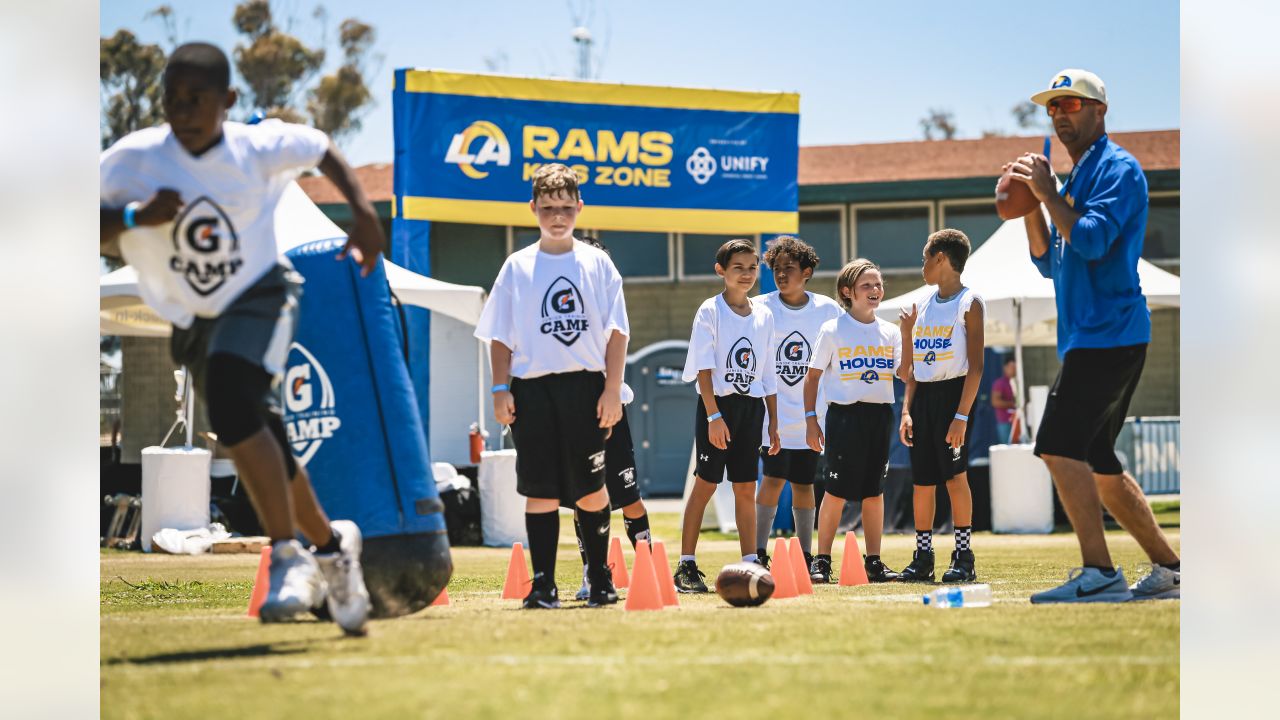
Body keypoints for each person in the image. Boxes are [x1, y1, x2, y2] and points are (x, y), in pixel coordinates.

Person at [99, 43, 374, 634]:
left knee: (229, 392)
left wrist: (364, 214)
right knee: (254, 429)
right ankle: (332, 550)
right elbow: (90, 227)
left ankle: (287, 556)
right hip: (194, 318)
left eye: (196, 99)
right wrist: (133, 220)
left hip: (261, 292)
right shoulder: (133, 161)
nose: (182, 110)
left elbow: (323, 147)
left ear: (226, 101)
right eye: (172, 99)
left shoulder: (256, 146)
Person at [1008, 68, 1180, 603]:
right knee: (1101, 465)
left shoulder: (1118, 169)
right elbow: (1048, 263)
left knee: (1057, 446)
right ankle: (1172, 571)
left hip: (1110, 335)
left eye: (1072, 104)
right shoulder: (1074, 179)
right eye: (1053, 107)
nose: (1060, 114)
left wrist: (1045, 192)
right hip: (1098, 337)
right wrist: (1032, 205)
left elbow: (1088, 240)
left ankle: (1100, 572)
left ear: (1099, 111)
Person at [474, 163, 630, 609]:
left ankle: (599, 578)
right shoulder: (517, 267)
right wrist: (499, 391)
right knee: (539, 488)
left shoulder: (597, 263)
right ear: (533, 209)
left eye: (565, 208)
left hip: (586, 389)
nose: (557, 217)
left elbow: (617, 332)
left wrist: (611, 390)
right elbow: (500, 336)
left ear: (580, 207)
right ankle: (543, 584)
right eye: (548, 209)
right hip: (531, 390)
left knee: (590, 487)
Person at [674, 239, 780, 592]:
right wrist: (713, 416)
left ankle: (750, 561)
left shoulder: (764, 314)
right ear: (721, 271)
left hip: (751, 409)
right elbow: (704, 368)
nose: (747, 274)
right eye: (739, 267)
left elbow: (767, 375)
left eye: (752, 267)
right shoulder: (710, 310)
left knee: (746, 487)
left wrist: (773, 423)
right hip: (717, 405)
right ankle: (686, 565)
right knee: (705, 483)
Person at [804, 259, 901, 583]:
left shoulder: (890, 331)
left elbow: (905, 374)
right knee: (836, 489)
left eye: (878, 284)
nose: (874, 290)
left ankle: (873, 561)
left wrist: (910, 332)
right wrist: (811, 420)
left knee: (875, 491)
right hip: (844, 416)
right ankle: (822, 561)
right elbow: (813, 377)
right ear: (847, 291)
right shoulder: (833, 329)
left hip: (879, 415)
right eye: (866, 285)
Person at [897, 229, 984, 584]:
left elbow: (976, 367)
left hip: (954, 396)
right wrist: (906, 410)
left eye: (925, 258)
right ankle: (923, 556)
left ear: (942, 259)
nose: (922, 266)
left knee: (955, 476)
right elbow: (909, 371)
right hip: (924, 399)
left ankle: (963, 555)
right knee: (922, 482)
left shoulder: (970, 302)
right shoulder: (924, 305)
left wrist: (961, 416)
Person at [568, 237, 653, 602]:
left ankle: (651, 569)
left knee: (628, 494)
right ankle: (593, 573)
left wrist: (612, 392)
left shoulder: (610, 304)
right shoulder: (562, 303)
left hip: (611, 410)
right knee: (582, 496)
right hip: (572, 413)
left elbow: (617, 344)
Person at [751, 236, 842, 570]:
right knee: (772, 480)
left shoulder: (827, 310)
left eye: (789, 268)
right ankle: (759, 552)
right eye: (776, 268)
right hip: (771, 416)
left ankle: (806, 555)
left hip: (811, 417)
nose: (781, 274)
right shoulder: (760, 306)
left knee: (805, 483)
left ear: (807, 272)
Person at [991, 357, 1017, 444]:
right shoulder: (1000, 383)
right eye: (1011, 367)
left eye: (1015, 367)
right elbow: (995, 402)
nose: (1014, 370)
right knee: (1007, 447)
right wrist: (1013, 404)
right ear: (1005, 368)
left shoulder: (1017, 382)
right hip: (1005, 421)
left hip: (1016, 420)